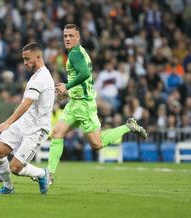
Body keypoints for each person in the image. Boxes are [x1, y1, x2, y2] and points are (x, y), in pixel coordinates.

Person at [47, 24, 148, 183]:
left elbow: (85, 73)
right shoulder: (80, 52)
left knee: (97, 144)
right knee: (57, 134)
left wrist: (66, 86)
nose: (67, 38)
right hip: (75, 103)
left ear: (78, 37)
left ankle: (128, 126)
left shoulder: (74, 54)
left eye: (71, 35)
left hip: (84, 105)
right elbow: (82, 79)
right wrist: (69, 92)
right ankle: (49, 174)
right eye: (65, 35)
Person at [0, 42, 55, 194]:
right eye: (23, 59)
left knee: (15, 168)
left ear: (38, 57)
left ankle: (42, 174)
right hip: (23, 122)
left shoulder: (42, 77)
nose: (25, 63)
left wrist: (8, 122)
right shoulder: (36, 77)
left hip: (37, 128)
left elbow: (27, 103)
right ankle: (8, 187)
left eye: (27, 59)